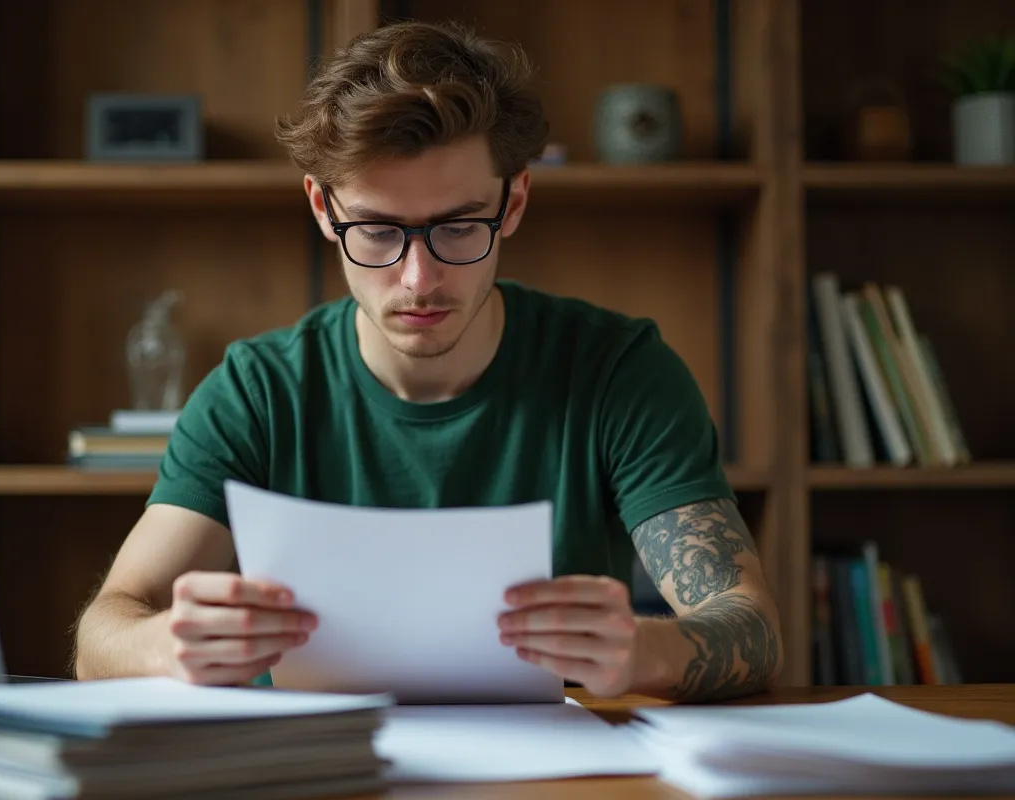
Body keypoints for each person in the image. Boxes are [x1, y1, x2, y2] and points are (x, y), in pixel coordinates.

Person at [73, 20, 783, 703]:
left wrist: (643, 652)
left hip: (549, 762)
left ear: (514, 201)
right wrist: (166, 645)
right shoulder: (256, 392)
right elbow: (105, 630)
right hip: (303, 762)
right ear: (323, 208)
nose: (419, 279)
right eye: (377, 231)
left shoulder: (618, 372)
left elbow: (750, 625)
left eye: (460, 226)